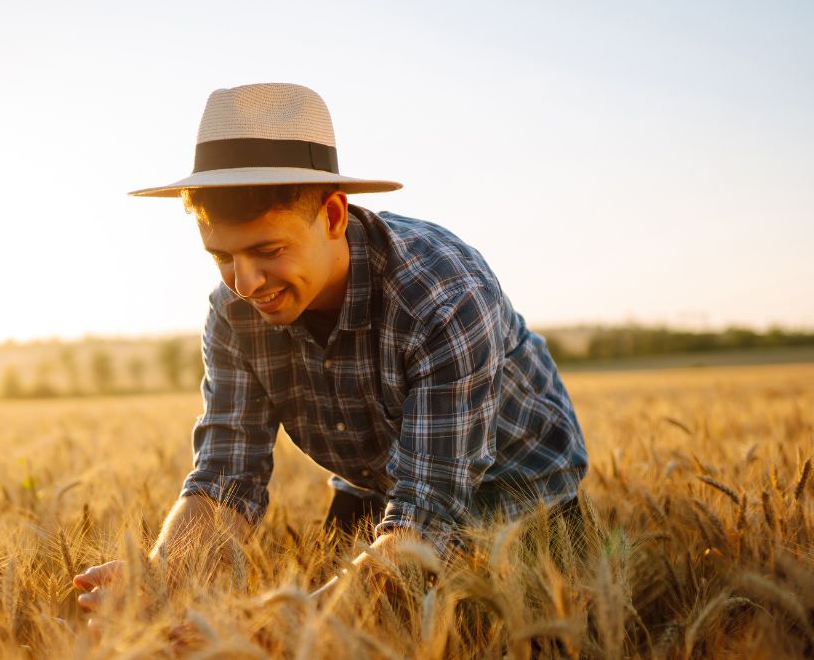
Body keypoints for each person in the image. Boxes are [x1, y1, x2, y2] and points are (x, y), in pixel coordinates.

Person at [73, 83, 588, 613]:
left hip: (524, 499)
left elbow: (429, 517)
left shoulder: (443, 295)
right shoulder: (232, 313)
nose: (244, 283)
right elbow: (225, 478)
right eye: (220, 256)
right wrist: (161, 573)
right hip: (375, 490)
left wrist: (284, 624)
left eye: (267, 250)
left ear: (335, 216)